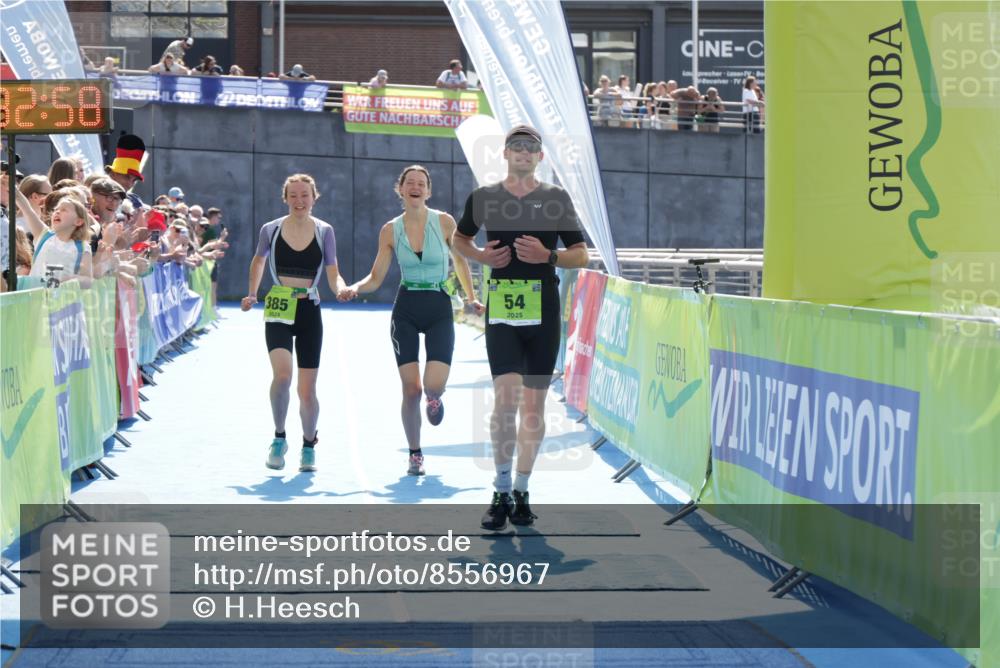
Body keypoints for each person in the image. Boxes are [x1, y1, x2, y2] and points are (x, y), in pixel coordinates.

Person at [453, 125, 589, 530]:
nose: (524, 153)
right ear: (506, 153)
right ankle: (499, 488)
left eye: (532, 148)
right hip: (503, 310)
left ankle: (522, 490)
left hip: (543, 310)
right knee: (505, 401)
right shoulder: (484, 197)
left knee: (533, 407)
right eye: (518, 147)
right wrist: (479, 255)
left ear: (540, 157)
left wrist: (549, 256)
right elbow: (460, 240)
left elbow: (580, 255)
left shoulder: (555, 199)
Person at [342, 166, 484, 476]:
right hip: (406, 308)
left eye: (422, 184)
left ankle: (435, 398)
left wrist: (471, 298)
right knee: (411, 390)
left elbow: (460, 261)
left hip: (438, 308)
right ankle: (415, 453)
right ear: (401, 190)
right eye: (410, 183)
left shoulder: (444, 222)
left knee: (432, 386)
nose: (416, 187)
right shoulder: (389, 230)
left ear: (428, 192)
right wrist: (354, 287)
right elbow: (376, 277)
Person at [241, 174, 351, 472]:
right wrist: (252, 293)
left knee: (307, 389)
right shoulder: (271, 229)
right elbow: (259, 260)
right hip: (279, 304)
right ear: (285, 198)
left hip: (309, 310)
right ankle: (279, 438)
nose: (299, 201)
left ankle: (308, 444)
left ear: (314, 198)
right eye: (294, 195)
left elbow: (332, 269)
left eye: (305, 195)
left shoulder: (324, 230)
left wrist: (339, 287)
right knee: (282, 375)